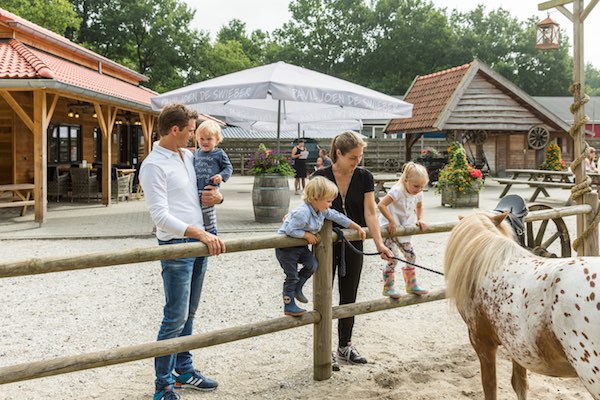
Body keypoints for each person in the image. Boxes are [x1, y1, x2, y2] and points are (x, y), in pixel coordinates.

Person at [139, 103, 226, 400]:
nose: (193, 136)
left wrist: (219, 196)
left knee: (189, 312)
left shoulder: (188, 156)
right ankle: (162, 386)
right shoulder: (153, 165)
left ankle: (184, 369)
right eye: (190, 131)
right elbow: (160, 217)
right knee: (174, 315)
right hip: (177, 245)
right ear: (174, 130)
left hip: (199, 241)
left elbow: (207, 193)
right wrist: (197, 231)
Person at [313, 131, 393, 371]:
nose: (357, 161)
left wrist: (379, 244)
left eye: (360, 156)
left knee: (349, 295)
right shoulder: (320, 176)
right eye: (353, 157)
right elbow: (312, 209)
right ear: (338, 153)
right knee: (324, 295)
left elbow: (370, 213)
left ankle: (345, 344)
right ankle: (324, 347)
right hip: (325, 245)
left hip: (354, 244)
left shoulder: (365, 176)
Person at [276, 176, 366, 316]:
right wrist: (306, 235)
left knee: (312, 265)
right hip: (286, 249)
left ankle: (298, 286)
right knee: (291, 276)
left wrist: (356, 227)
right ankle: (289, 304)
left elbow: (338, 216)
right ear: (314, 198)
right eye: (328, 201)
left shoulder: (321, 211)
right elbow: (289, 230)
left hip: (300, 247)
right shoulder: (303, 213)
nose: (330, 205)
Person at [377, 162, 429, 299]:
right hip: (389, 228)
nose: (419, 189)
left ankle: (411, 284)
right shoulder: (397, 191)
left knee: (411, 256)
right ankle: (388, 287)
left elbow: (419, 206)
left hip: (404, 229)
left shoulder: (418, 193)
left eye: (422, 186)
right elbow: (381, 204)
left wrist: (420, 219)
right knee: (393, 258)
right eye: (416, 186)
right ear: (406, 181)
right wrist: (391, 220)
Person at [193, 120, 233, 235]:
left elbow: (228, 168)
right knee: (196, 214)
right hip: (195, 190)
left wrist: (221, 176)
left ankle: (212, 232)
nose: (205, 142)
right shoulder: (196, 153)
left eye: (209, 139)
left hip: (209, 190)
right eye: (202, 139)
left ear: (217, 140)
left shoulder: (219, 154)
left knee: (208, 214)